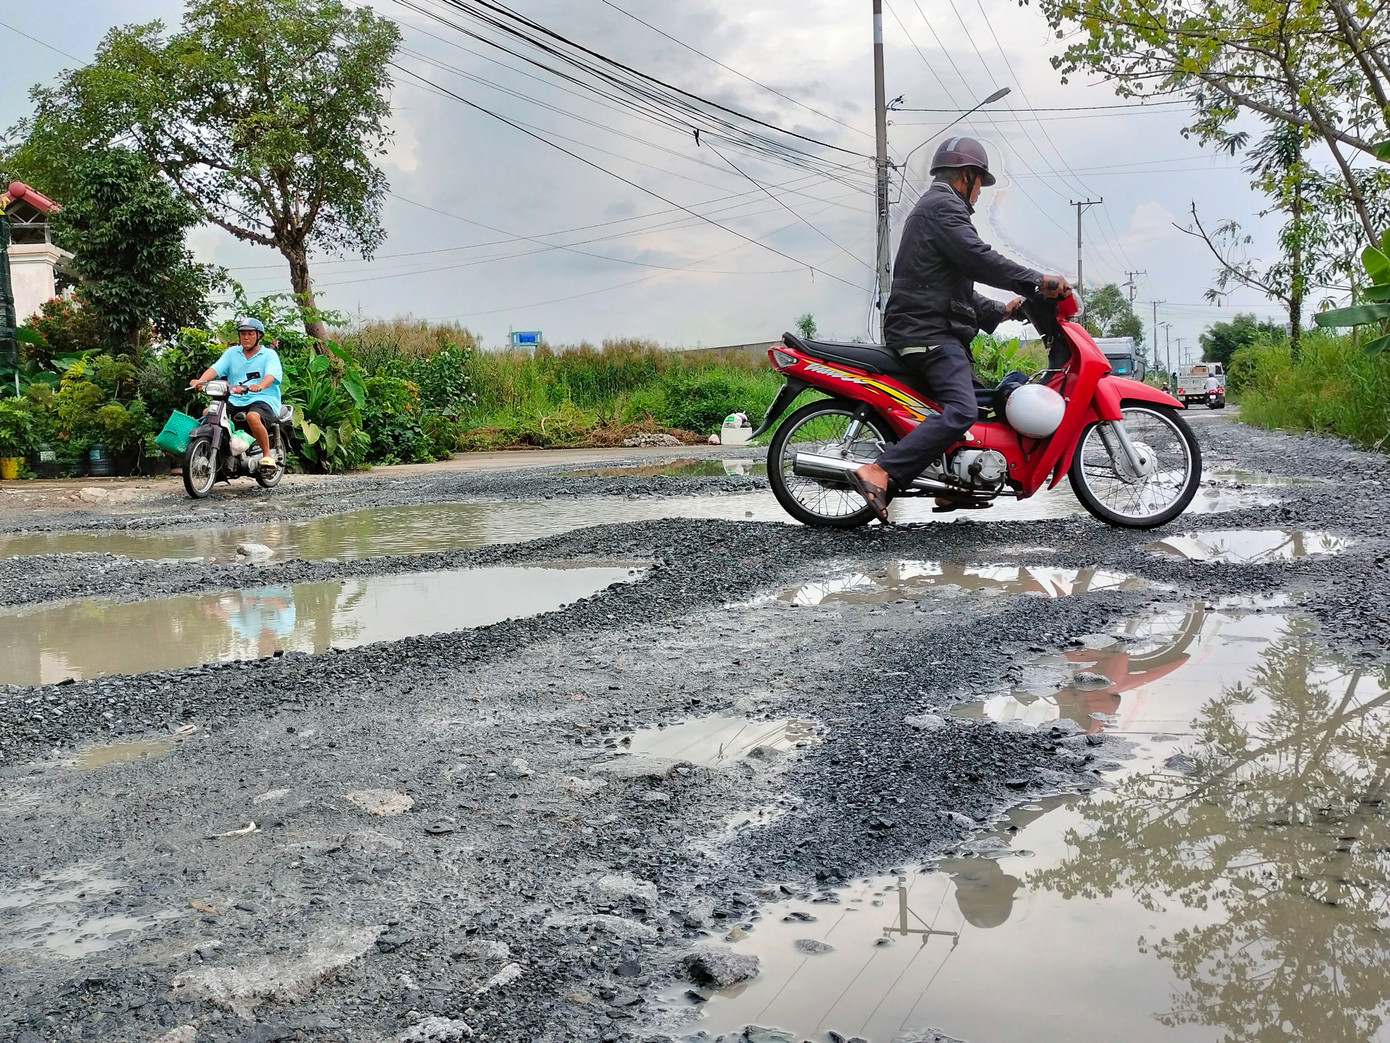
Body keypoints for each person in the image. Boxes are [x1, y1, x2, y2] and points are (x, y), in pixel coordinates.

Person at [848, 137, 1072, 522]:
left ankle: (954, 488)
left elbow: (956, 289)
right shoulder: (943, 208)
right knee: (963, 411)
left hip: (930, 325)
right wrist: (1035, 281)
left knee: (984, 403)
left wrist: (1003, 310)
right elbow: (980, 260)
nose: (979, 194)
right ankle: (880, 470)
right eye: (980, 185)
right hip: (927, 333)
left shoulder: (936, 209)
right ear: (967, 176)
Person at [190, 317, 283, 474]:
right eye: (243, 334)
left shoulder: (269, 355)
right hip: (235, 398)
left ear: (259, 336)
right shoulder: (232, 353)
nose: (246, 337)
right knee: (209, 413)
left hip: (263, 398)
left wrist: (260, 385)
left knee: (252, 417)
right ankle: (223, 450)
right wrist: (201, 381)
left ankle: (267, 456)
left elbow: (271, 376)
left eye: (250, 334)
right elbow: (216, 369)